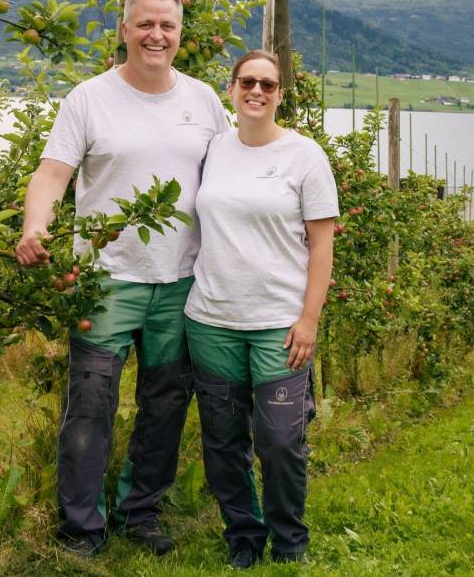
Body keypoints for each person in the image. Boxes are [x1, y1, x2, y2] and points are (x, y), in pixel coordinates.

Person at [15, 0, 228, 561]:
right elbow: (53, 173)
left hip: (181, 281)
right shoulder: (89, 99)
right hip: (105, 279)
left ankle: (142, 512)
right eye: (145, 25)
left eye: (168, 25)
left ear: (181, 33)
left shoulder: (206, 101)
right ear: (124, 30)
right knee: (90, 404)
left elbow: (232, 180)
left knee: (164, 404)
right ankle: (82, 528)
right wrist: (35, 225)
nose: (156, 35)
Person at [184, 50, 338, 569]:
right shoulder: (213, 150)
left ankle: (289, 537)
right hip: (212, 319)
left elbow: (321, 246)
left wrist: (310, 319)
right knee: (223, 442)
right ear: (230, 89)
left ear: (279, 94)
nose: (257, 91)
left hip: (279, 323)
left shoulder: (305, 156)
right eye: (247, 81)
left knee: (279, 440)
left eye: (268, 85)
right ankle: (243, 536)